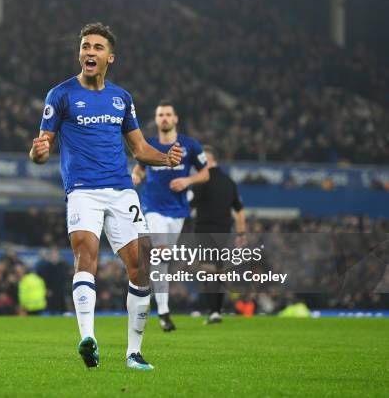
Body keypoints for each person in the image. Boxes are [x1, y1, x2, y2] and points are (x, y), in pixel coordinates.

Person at [29, 23, 183, 370]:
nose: (89, 52)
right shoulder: (61, 95)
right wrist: (38, 152)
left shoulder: (121, 98)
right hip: (83, 189)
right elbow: (42, 148)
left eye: (97, 47)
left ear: (109, 57)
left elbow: (140, 147)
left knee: (141, 265)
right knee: (85, 252)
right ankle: (89, 338)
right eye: (85, 46)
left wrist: (165, 158)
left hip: (121, 189)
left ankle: (134, 352)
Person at [131, 100, 209, 332]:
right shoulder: (149, 145)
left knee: (163, 260)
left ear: (175, 119)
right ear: (156, 120)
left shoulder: (190, 145)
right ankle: (163, 311)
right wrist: (135, 176)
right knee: (161, 251)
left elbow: (206, 173)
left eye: (168, 114)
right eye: (160, 114)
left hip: (178, 210)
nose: (164, 118)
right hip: (152, 207)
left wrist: (188, 180)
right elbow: (140, 168)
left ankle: (163, 311)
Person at [189, 145, 246, 324]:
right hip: (224, 232)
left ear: (208, 160)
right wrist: (241, 233)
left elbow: (189, 204)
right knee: (219, 271)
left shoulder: (201, 180)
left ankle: (214, 312)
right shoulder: (229, 182)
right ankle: (217, 311)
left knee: (207, 270)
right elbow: (239, 211)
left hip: (205, 230)